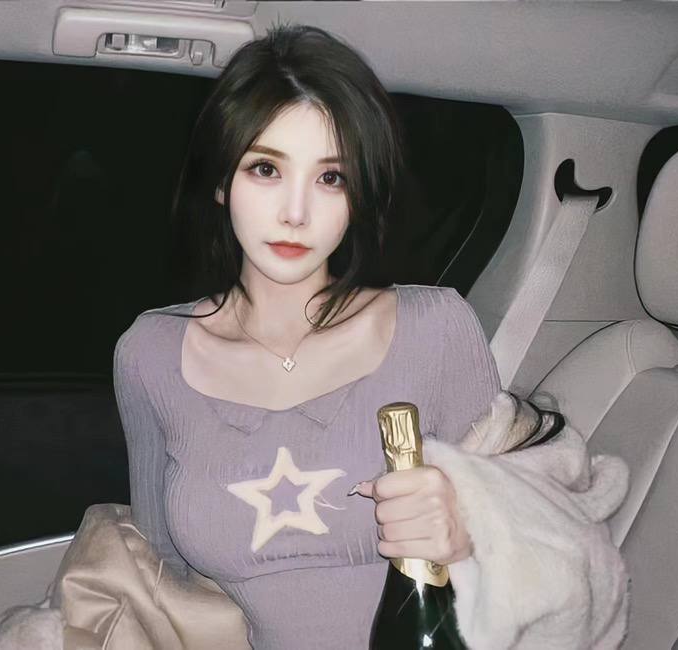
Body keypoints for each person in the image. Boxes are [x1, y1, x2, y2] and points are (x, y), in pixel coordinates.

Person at [113, 24, 500, 649]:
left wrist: (474, 531)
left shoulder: (436, 329)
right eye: (266, 168)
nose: (296, 213)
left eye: (331, 178)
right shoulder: (150, 354)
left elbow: (532, 548)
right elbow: (161, 577)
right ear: (221, 181)